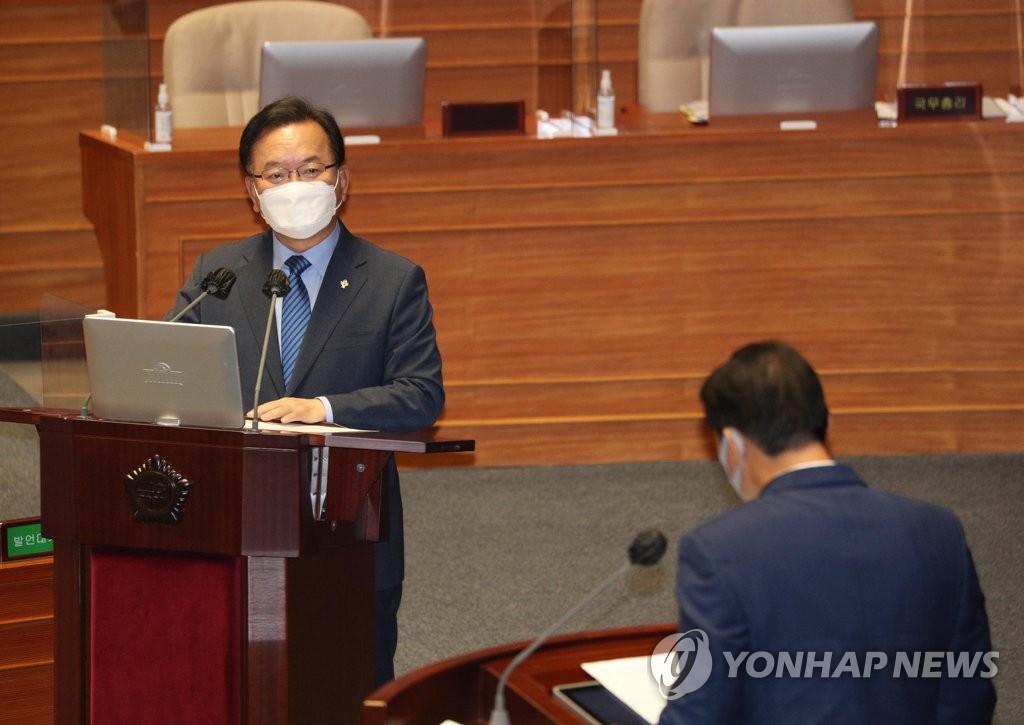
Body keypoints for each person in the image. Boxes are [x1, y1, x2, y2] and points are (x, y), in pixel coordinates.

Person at [165, 96, 445, 686]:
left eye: (310, 169)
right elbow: (174, 369)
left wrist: (321, 409)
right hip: (234, 522)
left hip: (347, 529)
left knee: (348, 685)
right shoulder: (217, 275)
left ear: (341, 178)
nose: (295, 185)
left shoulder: (393, 280)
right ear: (252, 188)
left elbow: (421, 395)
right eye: (276, 174)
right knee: (234, 686)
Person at [658, 341, 996, 724]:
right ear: (828, 423)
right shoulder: (939, 531)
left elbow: (701, 712)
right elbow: (968, 697)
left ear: (732, 444)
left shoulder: (719, 551)